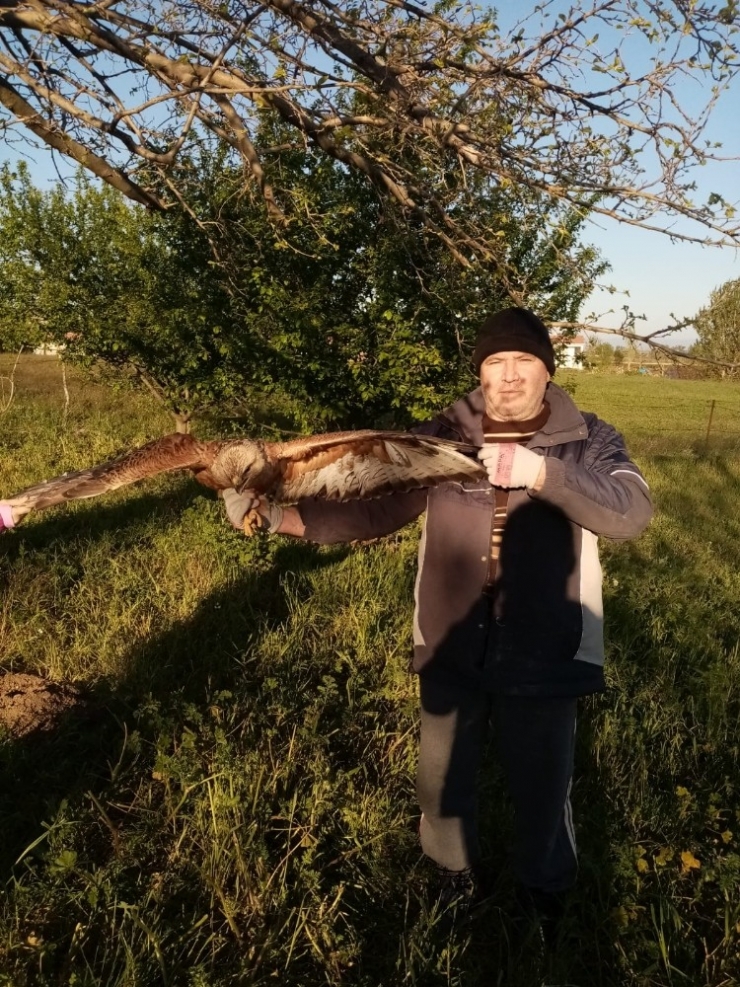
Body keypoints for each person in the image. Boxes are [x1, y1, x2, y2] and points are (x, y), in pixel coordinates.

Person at [222, 307, 653, 942]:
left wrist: (543, 474)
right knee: (440, 776)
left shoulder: (588, 438)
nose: (507, 378)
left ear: (546, 370)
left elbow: (631, 512)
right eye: (493, 364)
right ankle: (451, 875)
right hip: (452, 634)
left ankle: (546, 889)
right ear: (479, 371)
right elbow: (376, 508)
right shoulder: (442, 439)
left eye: (522, 363)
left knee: (544, 780)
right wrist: (279, 517)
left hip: (547, 643)